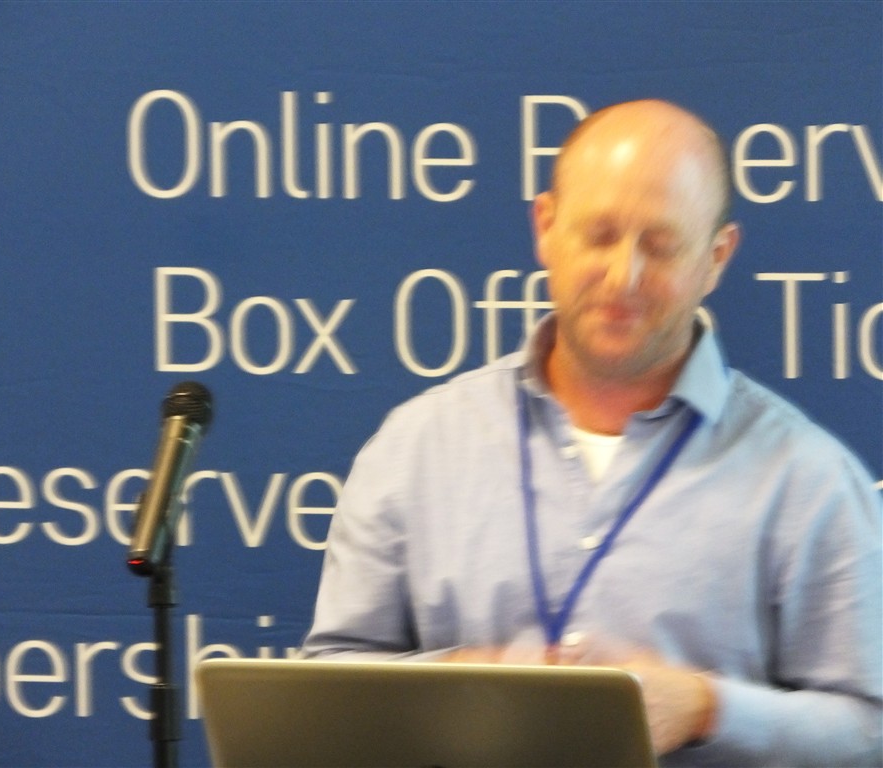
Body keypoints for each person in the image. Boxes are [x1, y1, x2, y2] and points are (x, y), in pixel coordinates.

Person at [301, 99, 882, 766]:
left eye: (660, 246)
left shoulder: (805, 478)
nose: (622, 276)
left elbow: (870, 728)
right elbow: (326, 689)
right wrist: (460, 680)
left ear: (716, 258)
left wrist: (705, 707)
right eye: (600, 235)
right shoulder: (416, 447)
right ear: (545, 228)